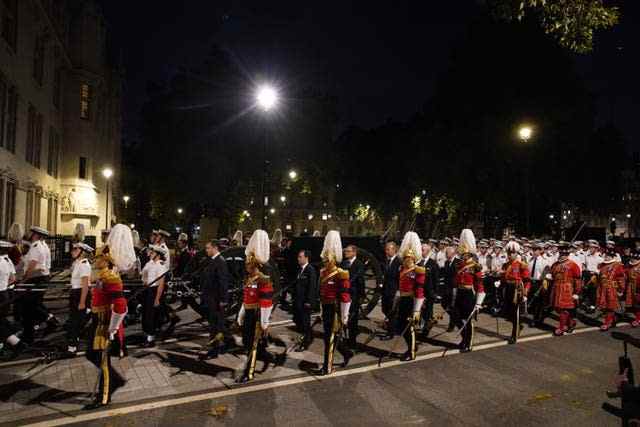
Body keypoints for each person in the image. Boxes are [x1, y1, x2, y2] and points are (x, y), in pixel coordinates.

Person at [84, 251, 127, 410]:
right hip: (97, 319)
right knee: (90, 353)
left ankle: (104, 396)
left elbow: (121, 306)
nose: (95, 260)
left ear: (105, 260)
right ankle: (116, 380)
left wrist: (113, 328)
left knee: (103, 360)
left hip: (105, 322)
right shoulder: (100, 276)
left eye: (98, 258)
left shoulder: (111, 278)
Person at [236, 230, 276, 383]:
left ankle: (249, 373)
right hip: (249, 313)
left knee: (252, 343)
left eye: (248, 264)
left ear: (254, 264)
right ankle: (261, 355)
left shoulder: (263, 279)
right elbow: (246, 298)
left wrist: (265, 322)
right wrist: (241, 313)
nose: (246, 266)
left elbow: (267, 301)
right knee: (247, 342)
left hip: (258, 315)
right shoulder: (249, 278)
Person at [314, 230, 353, 376]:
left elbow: (345, 297)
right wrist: (321, 310)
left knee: (329, 338)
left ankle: (327, 367)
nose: (325, 260)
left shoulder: (341, 273)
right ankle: (347, 353)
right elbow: (322, 294)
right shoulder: (323, 272)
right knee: (330, 336)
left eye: (327, 258)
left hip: (336, 309)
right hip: (326, 307)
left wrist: (344, 316)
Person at [19, 226, 57, 343]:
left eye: (31, 232)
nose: (29, 234)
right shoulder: (42, 245)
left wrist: (24, 279)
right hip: (41, 277)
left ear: (35, 234)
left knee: (28, 307)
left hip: (36, 278)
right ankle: (46, 321)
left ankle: (47, 321)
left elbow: (32, 265)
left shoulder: (36, 247)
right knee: (34, 305)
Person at [394, 232, 425, 361]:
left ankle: (411, 352)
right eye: (406, 258)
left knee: (409, 327)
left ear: (414, 259)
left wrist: (417, 309)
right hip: (403, 299)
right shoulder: (401, 269)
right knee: (401, 326)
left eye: (410, 258)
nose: (407, 260)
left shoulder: (418, 270)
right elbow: (400, 286)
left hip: (412, 301)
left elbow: (419, 290)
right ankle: (412, 346)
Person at [453, 229, 485, 353]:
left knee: (467, 319)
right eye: (463, 254)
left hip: (468, 294)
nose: (464, 255)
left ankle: (469, 343)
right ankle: (464, 338)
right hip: (460, 293)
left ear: (470, 254)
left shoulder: (475, 266)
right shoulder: (460, 265)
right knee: (457, 317)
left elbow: (479, 284)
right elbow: (456, 280)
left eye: (466, 254)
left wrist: (478, 302)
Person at [201, 240, 231, 358]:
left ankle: (214, 351)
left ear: (215, 248)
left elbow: (223, 282)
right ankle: (226, 342)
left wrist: (224, 300)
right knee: (216, 325)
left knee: (216, 325)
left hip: (216, 299)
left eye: (208, 248)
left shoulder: (220, 262)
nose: (206, 250)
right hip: (211, 299)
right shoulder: (213, 261)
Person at [0, 241, 26, 359]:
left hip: (1, 294)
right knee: (2, 320)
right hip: (5, 293)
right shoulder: (7, 261)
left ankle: (16, 343)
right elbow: (13, 278)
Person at [501, 241, 531, 344]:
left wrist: (525, 293)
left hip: (517, 289)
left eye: (512, 253)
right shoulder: (505, 265)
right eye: (509, 253)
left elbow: (527, 280)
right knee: (508, 312)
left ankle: (514, 334)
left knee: (515, 312)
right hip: (508, 288)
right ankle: (518, 325)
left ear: (516, 253)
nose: (510, 255)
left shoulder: (521, 265)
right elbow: (503, 277)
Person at [549, 243, 583, 335]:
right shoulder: (555, 264)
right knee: (557, 309)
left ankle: (562, 327)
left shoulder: (573, 265)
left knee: (564, 309)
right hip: (556, 288)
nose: (562, 256)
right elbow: (552, 274)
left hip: (567, 289)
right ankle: (571, 323)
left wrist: (577, 292)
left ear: (568, 254)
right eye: (561, 254)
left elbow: (578, 279)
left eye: (564, 254)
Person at [66, 242, 94, 354]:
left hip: (80, 294)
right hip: (75, 293)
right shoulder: (77, 263)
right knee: (74, 319)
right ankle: (74, 340)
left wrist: (82, 302)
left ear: (82, 252)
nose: (72, 251)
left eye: (76, 249)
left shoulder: (84, 264)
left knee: (75, 321)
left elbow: (85, 285)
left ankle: (72, 347)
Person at [140, 245, 169, 347]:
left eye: (152, 252)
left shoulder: (161, 265)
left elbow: (161, 283)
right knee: (145, 314)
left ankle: (151, 339)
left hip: (154, 291)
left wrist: (157, 299)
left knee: (151, 316)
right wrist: (144, 280)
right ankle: (146, 334)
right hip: (147, 290)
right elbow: (143, 274)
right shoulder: (150, 263)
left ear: (158, 254)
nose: (150, 254)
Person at [292, 250, 318, 351]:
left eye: (300, 257)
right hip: (298, 301)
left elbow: (312, 287)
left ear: (306, 258)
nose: (298, 259)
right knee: (299, 321)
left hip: (305, 302)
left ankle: (305, 343)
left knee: (305, 323)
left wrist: (309, 301)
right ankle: (308, 336)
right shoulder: (301, 269)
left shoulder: (310, 270)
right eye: (298, 257)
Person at [341, 244, 365, 348]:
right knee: (344, 316)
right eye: (345, 251)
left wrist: (361, 295)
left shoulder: (359, 264)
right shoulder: (344, 263)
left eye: (348, 251)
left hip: (354, 294)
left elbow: (359, 279)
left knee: (353, 318)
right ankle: (345, 337)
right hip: (344, 294)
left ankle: (352, 341)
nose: (346, 253)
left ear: (354, 252)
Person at [598, 248, 626, 331]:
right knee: (604, 306)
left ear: (613, 256)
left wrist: (620, 290)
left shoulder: (617, 265)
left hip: (612, 288)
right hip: (603, 288)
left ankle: (607, 323)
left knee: (610, 306)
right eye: (606, 255)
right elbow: (600, 277)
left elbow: (621, 278)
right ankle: (613, 319)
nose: (607, 257)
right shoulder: (602, 265)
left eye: (609, 256)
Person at [380, 241, 401, 339]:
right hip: (386, 290)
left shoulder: (399, 262)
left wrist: (398, 291)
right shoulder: (387, 261)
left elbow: (400, 278)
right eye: (386, 249)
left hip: (393, 290)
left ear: (394, 249)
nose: (386, 251)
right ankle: (393, 328)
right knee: (385, 309)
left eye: (389, 249)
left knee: (391, 312)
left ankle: (390, 333)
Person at [418, 241, 439, 335]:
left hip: (429, 292)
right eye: (421, 249)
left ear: (428, 251)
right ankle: (422, 326)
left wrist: (434, 293)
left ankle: (426, 328)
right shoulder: (418, 262)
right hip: (419, 291)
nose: (421, 251)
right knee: (419, 310)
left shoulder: (433, 264)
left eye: (423, 250)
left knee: (428, 311)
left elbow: (435, 280)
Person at [528, 243, 550, 327]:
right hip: (531, 282)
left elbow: (547, 273)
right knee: (533, 301)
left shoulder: (544, 260)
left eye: (536, 250)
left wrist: (544, 279)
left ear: (540, 251)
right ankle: (536, 317)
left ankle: (537, 319)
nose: (534, 252)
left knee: (539, 302)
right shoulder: (530, 260)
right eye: (533, 250)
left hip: (540, 283)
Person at [625, 251, 640, 327]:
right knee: (635, 304)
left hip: (638, 288)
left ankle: (638, 319)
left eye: (635, 258)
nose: (633, 259)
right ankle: (638, 318)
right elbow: (626, 275)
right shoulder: (629, 266)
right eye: (633, 258)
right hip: (631, 287)